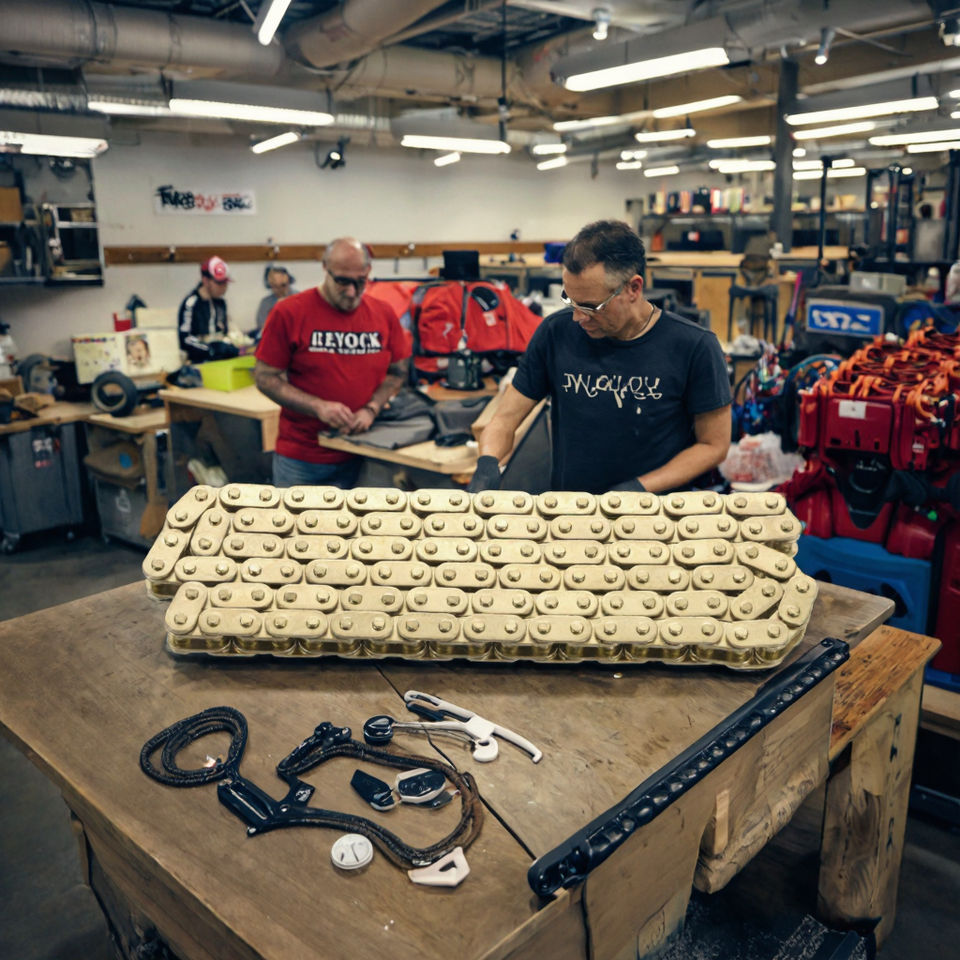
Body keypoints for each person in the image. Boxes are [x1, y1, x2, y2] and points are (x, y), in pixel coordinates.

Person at [470, 219, 731, 495]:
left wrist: (638, 489)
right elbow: (505, 419)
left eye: (592, 306)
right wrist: (487, 464)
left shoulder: (694, 346)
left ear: (633, 288)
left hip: (654, 510)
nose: (578, 317)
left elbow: (713, 446)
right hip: (572, 509)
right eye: (571, 301)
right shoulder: (555, 333)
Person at [254, 237, 410, 488]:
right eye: (342, 281)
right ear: (325, 268)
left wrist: (371, 408)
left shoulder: (383, 314)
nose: (352, 292)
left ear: (368, 271)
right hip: (303, 458)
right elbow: (264, 377)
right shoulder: (290, 312)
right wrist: (318, 406)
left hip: (363, 452)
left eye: (360, 281)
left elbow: (398, 372)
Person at [178, 256, 230, 362]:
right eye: (219, 283)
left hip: (220, 360)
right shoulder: (190, 303)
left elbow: (224, 332)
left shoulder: (220, 303)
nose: (224, 287)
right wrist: (209, 349)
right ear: (205, 281)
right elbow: (185, 339)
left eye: (225, 283)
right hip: (198, 361)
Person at [255, 266, 298, 332]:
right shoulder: (265, 303)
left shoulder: (300, 299)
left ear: (289, 281)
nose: (279, 289)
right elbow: (262, 327)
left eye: (283, 285)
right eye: (275, 286)